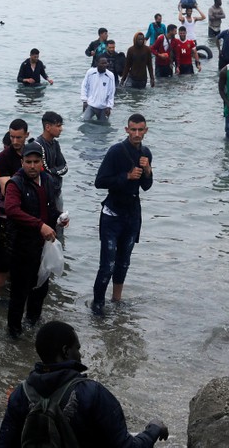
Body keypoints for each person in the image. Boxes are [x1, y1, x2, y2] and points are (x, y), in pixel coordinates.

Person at [0, 321, 169, 447]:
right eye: (77, 348)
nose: (80, 355)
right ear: (65, 351)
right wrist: (154, 428)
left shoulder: (20, 394)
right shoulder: (92, 392)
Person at [91, 114, 153, 316]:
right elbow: (100, 181)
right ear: (126, 130)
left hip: (132, 213)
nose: (137, 134)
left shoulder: (145, 153)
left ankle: (116, 300)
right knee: (107, 264)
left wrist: (148, 171)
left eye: (140, 130)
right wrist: (125, 176)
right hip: (112, 213)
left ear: (146, 130)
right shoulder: (116, 151)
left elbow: (146, 186)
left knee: (123, 261)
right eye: (133, 130)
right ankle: (98, 303)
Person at [4, 143, 65, 338]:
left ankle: (33, 323)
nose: (31, 166)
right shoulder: (15, 183)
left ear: (41, 163)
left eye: (35, 162)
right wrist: (39, 225)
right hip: (22, 247)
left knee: (41, 288)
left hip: (42, 247)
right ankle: (14, 332)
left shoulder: (47, 180)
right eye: (28, 162)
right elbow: (12, 210)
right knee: (19, 293)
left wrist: (59, 218)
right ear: (22, 162)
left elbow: (50, 208)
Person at [0, 119, 30, 291]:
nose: (15, 141)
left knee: (23, 258)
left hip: (27, 214)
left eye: (19, 137)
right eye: (12, 137)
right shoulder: (4, 157)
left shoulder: (31, 154)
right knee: (3, 262)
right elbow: (5, 188)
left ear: (26, 136)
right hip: (4, 216)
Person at [34, 112, 68, 212]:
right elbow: (44, 172)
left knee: (60, 222)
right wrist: (54, 171)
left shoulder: (55, 144)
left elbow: (65, 167)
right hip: (43, 194)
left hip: (56, 191)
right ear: (48, 127)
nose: (61, 129)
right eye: (58, 126)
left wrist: (52, 171)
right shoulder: (38, 145)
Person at [82, 56, 116, 121]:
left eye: (105, 63)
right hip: (90, 104)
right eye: (102, 63)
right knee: (85, 121)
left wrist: (109, 106)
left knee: (104, 126)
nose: (104, 65)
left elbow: (111, 92)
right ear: (97, 63)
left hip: (103, 107)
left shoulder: (110, 75)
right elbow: (84, 86)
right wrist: (84, 101)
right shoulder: (90, 72)